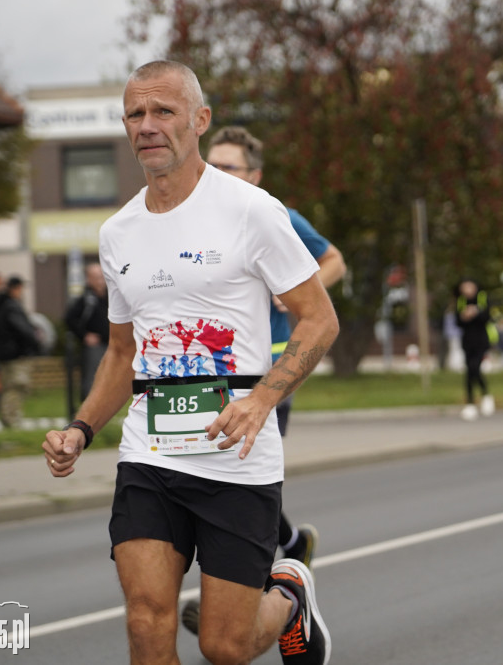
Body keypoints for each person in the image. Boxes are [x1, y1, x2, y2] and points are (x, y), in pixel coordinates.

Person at [41, 60, 339, 665]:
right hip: (150, 456)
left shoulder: (252, 210)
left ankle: (290, 595)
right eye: (135, 114)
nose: (147, 125)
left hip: (235, 460)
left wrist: (261, 398)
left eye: (163, 111)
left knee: (224, 647)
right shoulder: (118, 231)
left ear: (200, 120)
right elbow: (123, 353)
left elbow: (320, 318)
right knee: (147, 622)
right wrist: (81, 428)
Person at [177, 124, 347, 638]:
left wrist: (292, 288)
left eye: (229, 167)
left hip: (272, 372)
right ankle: (290, 547)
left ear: (255, 175)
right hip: (214, 376)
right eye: (215, 164)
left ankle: (251, 597)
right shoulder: (196, 221)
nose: (218, 174)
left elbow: (334, 259)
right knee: (221, 473)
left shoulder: (279, 217)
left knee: (243, 469)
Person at [0, 275, 40, 429]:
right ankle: (11, 420)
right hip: (16, 355)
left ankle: (8, 418)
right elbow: (23, 329)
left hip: (3, 355)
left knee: (9, 387)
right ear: (15, 289)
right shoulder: (12, 307)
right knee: (17, 387)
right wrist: (34, 343)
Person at [65, 262, 110, 400]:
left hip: (111, 344)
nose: (100, 281)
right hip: (95, 347)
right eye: (96, 277)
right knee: (91, 379)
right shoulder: (86, 299)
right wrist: (84, 335)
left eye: (101, 277)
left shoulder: (110, 297)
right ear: (88, 279)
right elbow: (69, 319)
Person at [454, 278, 496, 420]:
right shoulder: (460, 301)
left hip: (481, 341)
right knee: (469, 372)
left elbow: (488, 316)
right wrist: (463, 316)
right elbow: (457, 322)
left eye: (469, 287)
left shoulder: (482, 298)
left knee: (474, 368)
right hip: (467, 341)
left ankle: (486, 396)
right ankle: (470, 403)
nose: (467, 290)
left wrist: (475, 313)